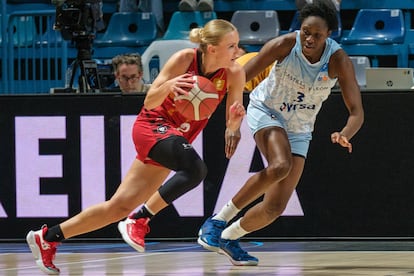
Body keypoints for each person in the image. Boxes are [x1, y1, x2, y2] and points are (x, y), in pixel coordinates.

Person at [26, 19, 246, 274]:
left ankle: (48, 237)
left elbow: (232, 118)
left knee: (117, 206)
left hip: (174, 138)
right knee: (195, 170)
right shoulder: (185, 59)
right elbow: (150, 101)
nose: (237, 51)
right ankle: (140, 219)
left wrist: (235, 122)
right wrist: (169, 85)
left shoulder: (234, 72)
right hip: (152, 125)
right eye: (231, 46)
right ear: (212, 49)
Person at [197, 0, 364, 266]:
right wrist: (232, 121)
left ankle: (229, 237)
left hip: (300, 127)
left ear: (329, 35)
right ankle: (217, 221)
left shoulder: (338, 60)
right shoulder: (285, 44)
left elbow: (357, 112)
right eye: (306, 31)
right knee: (280, 165)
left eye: (316, 35)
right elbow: (239, 75)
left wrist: (345, 133)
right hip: (267, 109)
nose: (309, 38)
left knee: (275, 208)